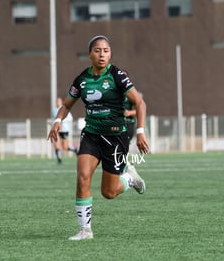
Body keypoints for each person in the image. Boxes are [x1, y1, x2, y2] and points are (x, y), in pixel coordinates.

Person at [47, 35, 149, 240]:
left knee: (109, 193)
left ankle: (130, 178)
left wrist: (140, 132)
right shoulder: (82, 79)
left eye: (106, 51)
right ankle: (85, 230)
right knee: (83, 177)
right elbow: (67, 105)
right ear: (89, 54)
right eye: (97, 50)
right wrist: (58, 120)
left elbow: (139, 103)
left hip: (115, 137)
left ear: (110, 54)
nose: (102, 54)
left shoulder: (117, 75)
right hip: (91, 135)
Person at [52, 97, 78, 164]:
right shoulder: (54, 110)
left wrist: (62, 121)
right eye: (56, 101)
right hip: (57, 130)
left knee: (65, 147)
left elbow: (70, 118)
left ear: (61, 102)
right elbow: (54, 120)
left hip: (64, 130)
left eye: (58, 101)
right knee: (56, 144)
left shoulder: (64, 109)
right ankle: (59, 160)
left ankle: (75, 150)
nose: (57, 103)